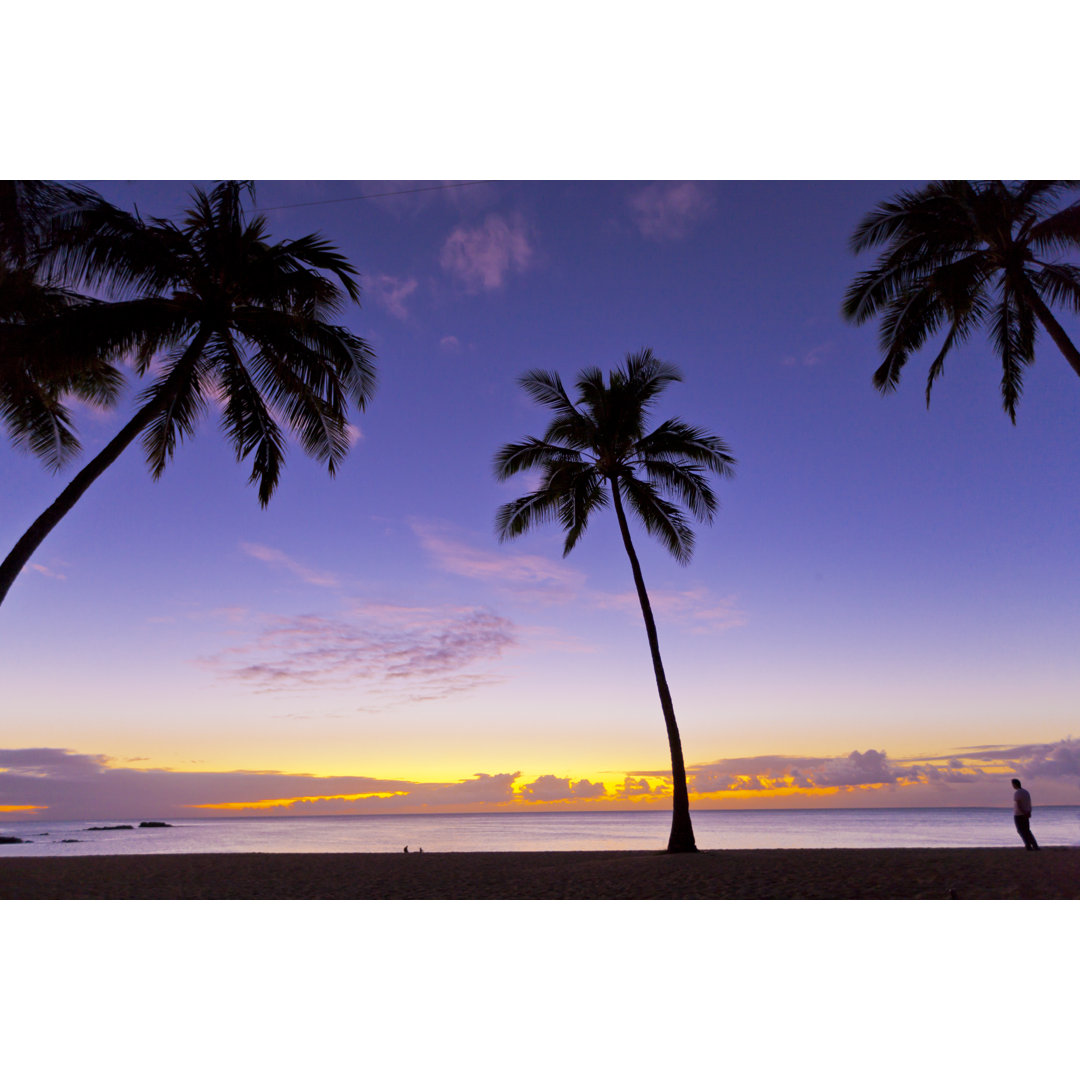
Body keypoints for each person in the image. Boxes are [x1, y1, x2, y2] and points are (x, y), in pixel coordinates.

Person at [1011, 778, 1039, 850]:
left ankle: (1028, 845)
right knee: (1027, 831)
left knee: (1021, 831)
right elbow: (1029, 804)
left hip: (1019, 815)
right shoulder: (1026, 792)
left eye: (1012, 784)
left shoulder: (1017, 793)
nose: (1012, 786)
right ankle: (1034, 845)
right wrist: (1028, 812)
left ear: (1015, 784)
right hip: (1026, 813)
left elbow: (1018, 804)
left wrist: (1023, 812)